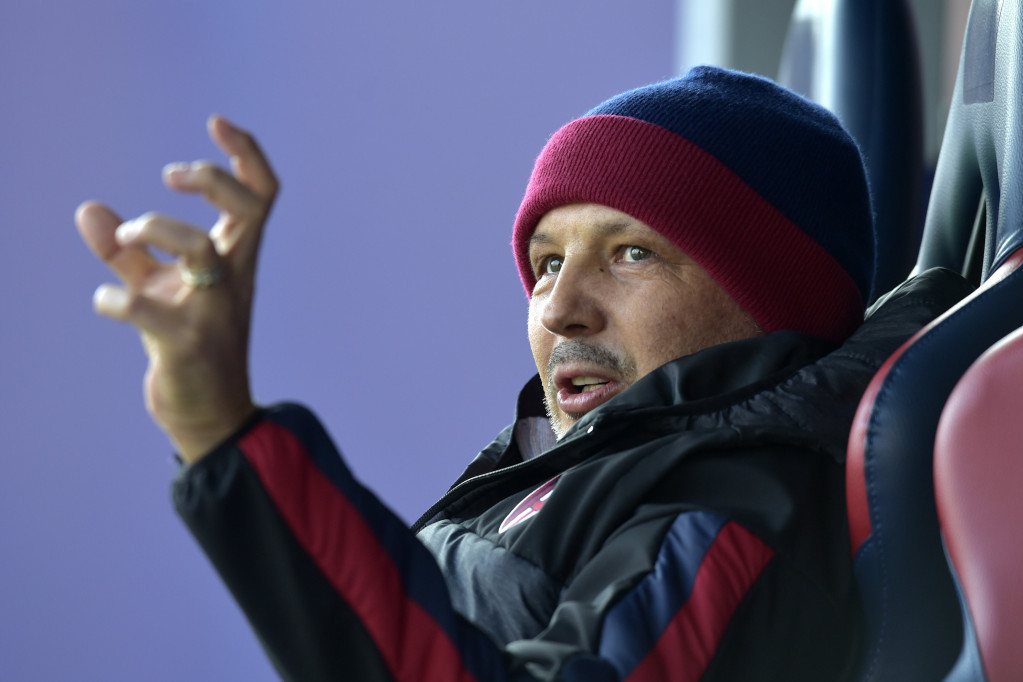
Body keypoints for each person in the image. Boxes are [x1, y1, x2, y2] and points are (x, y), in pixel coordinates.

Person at [76, 66, 968, 680]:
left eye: (630, 254)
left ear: (770, 302)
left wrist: (224, 434)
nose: (559, 308)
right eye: (545, 263)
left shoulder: (736, 507)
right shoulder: (578, 465)